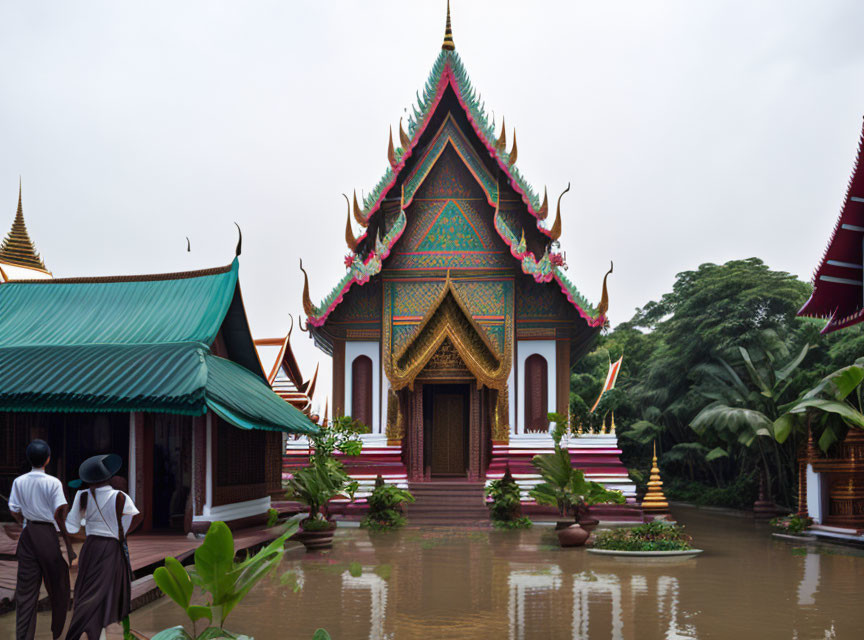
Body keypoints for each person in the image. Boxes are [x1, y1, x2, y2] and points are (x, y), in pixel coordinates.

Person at [65, 454, 140, 640]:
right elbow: (130, 521)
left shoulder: (81, 496)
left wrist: (86, 524)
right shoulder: (121, 497)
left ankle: (94, 633)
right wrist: (116, 532)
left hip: (90, 547)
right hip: (111, 548)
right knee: (101, 592)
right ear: (109, 476)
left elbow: (71, 527)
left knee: (88, 591)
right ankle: (79, 632)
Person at [8, 439, 75, 640]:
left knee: (26, 594)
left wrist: (25, 523)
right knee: (58, 588)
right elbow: (59, 514)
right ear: (47, 459)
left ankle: (24, 637)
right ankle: (56, 633)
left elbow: (14, 510)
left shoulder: (19, 481)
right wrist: (68, 542)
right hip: (47, 535)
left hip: (28, 535)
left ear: (29, 459)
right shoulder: (53, 482)